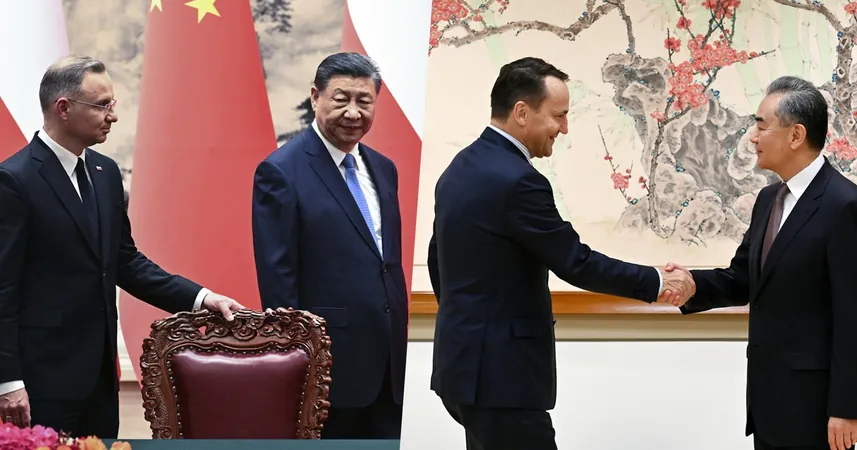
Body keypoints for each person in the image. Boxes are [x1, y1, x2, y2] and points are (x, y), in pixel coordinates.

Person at [426, 56, 694, 450]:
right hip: (502, 379)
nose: (564, 128)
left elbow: (438, 258)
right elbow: (576, 262)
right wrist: (657, 281)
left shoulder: (460, 168)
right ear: (522, 112)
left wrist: (468, 322)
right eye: (559, 115)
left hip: (463, 370)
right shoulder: (519, 181)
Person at [0, 55, 244, 439]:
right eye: (102, 105)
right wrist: (8, 380)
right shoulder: (15, 180)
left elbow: (125, 262)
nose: (112, 116)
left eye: (111, 104)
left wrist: (201, 298)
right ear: (63, 108)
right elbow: (3, 289)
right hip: (39, 381)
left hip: (99, 378)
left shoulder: (106, 173)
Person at [667, 76, 857, 450]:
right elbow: (743, 279)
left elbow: (853, 314)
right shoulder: (769, 199)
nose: (752, 137)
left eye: (761, 125)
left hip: (816, 407)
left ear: (796, 135)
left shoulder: (844, 205)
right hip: (767, 400)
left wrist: (846, 408)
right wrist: (690, 285)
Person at [251, 52, 407, 439]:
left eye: (364, 101)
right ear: (315, 97)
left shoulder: (384, 168)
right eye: (341, 99)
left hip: (390, 366)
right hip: (328, 369)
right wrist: (297, 363)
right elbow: (278, 281)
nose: (353, 112)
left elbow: (384, 263)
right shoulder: (280, 171)